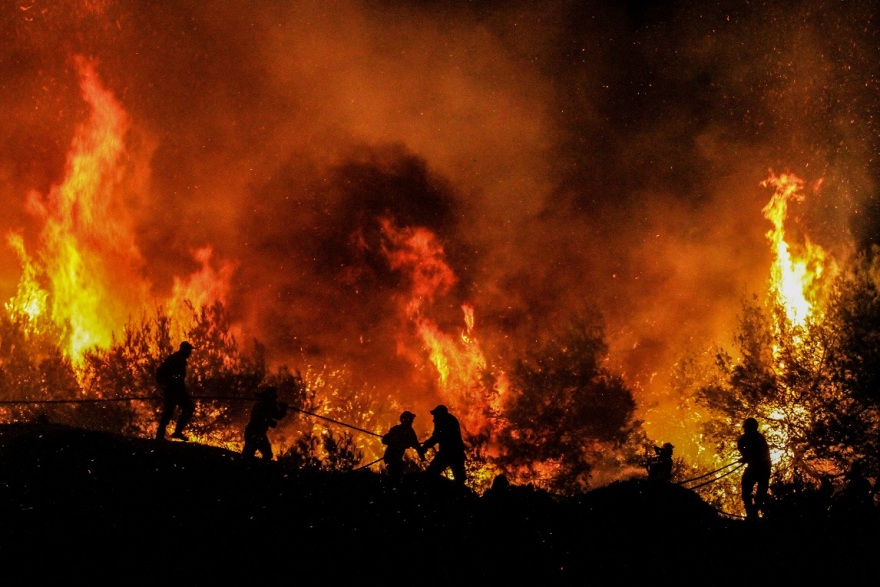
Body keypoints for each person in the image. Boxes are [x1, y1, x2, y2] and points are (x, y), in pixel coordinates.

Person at [155, 341, 196, 441]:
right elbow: (173, 376)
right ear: (184, 350)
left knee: (168, 412)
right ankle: (177, 432)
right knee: (189, 408)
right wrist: (171, 383)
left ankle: (160, 436)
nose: (190, 353)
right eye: (189, 350)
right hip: (175, 389)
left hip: (172, 389)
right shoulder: (178, 359)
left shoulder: (176, 358)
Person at [420, 404, 466, 485]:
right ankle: (460, 494)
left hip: (448, 453)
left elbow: (437, 437)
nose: (434, 417)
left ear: (440, 414)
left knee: (431, 473)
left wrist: (425, 446)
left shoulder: (443, 421)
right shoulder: (450, 419)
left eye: (435, 414)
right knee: (459, 478)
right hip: (456, 452)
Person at [737, 417, 772, 519]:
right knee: (747, 492)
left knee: (759, 494)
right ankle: (752, 514)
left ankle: (753, 514)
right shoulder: (748, 438)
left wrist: (746, 457)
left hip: (762, 469)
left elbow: (758, 455)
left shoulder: (758, 439)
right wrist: (745, 456)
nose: (745, 430)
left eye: (747, 428)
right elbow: (742, 447)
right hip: (759, 468)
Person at [242, 386, 289, 460]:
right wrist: (269, 422)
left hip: (258, 433)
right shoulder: (259, 406)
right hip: (254, 432)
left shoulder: (270, 407)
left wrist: (283, 409)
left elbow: (278, 416)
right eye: (273, 398)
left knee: (255, 453)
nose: (275, 400)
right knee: (259, 453)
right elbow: (257, 419)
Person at [381, 410, 423, 477]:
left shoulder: (410, 431)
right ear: (406, 420)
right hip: (390, 456)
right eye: (411, 419)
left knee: (397, 473)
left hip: (396, 457)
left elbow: (416, 445)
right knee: (396, 474)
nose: (412, 421)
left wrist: (421, 456)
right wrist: (397, 442)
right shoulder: (397, 430)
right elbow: (384, 440)